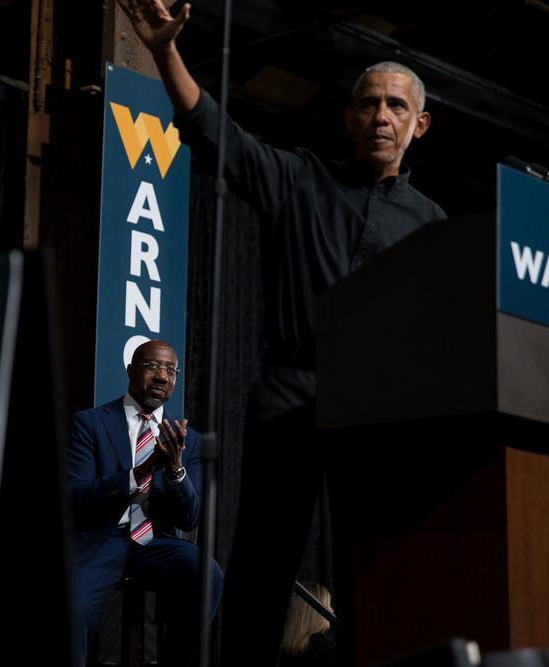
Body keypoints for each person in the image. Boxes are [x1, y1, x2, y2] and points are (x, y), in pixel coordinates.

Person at [119, 1, 448, 664]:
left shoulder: (434, 223)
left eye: (395, 106)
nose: (381, 115)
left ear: (420, 124)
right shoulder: (300, 179)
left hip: (380, 410)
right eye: (368, 103)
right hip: (290, 394)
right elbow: (216, 133)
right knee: (263, 564)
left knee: (374, 563)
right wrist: (163, 51)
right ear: (349, 116)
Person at [69, 340, 223, 666]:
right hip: (102, 539)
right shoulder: (91, 423)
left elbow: (189, 519)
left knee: (208, 576)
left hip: (156, 541)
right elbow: (75, 496)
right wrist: (140, 472)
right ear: (130, 371)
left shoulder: (187, 440)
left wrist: (177, 470)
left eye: (170, 370)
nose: (162, 377)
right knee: (73, 608)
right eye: (153, 366)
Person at [279, 583, 337, 667]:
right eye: (327, 605)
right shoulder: (326, 650)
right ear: (313, 612)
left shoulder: (284, 645)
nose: (331, 610)